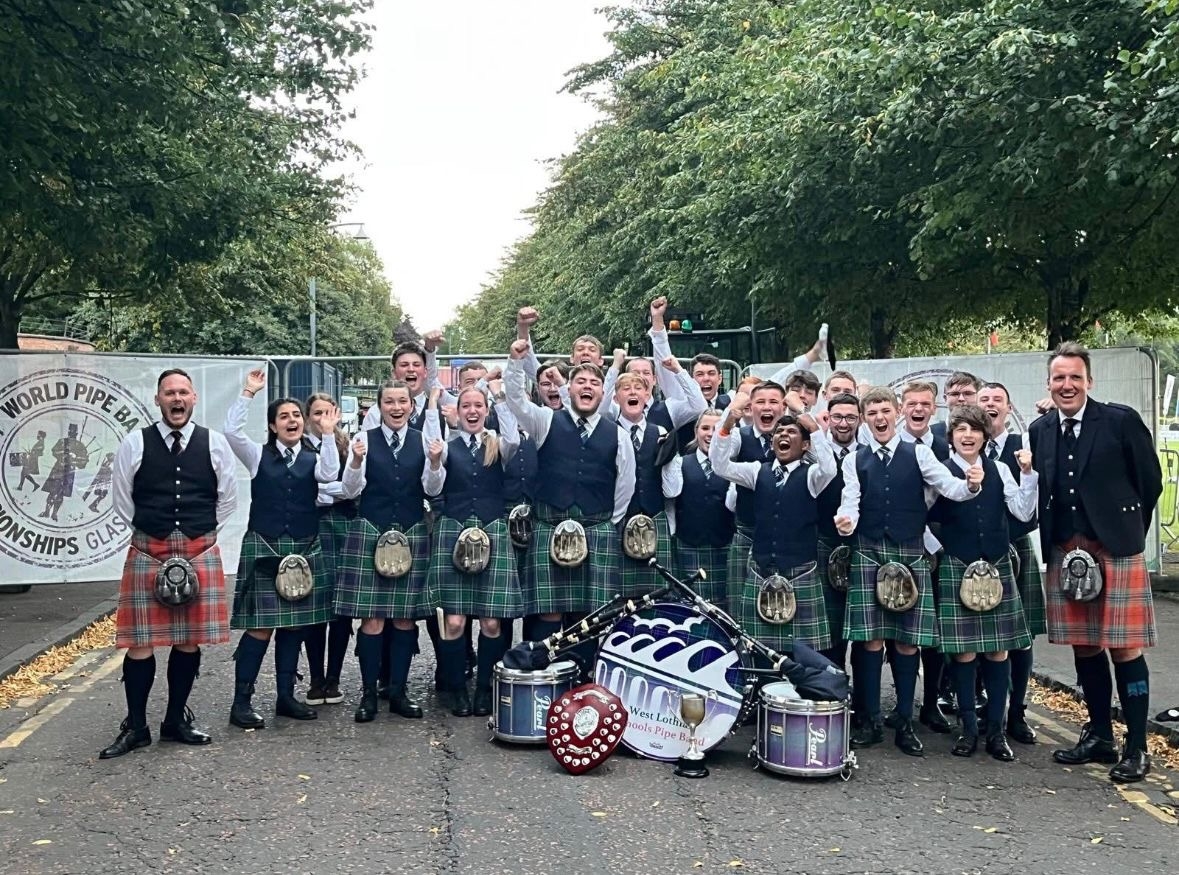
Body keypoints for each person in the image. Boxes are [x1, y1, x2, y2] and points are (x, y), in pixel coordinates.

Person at [1029, 342, 1162, 783]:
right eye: (1059, 378)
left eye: (1075, 377)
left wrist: (1126, 536)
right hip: (1067, 546)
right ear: (1049, 383)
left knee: (1124, 646)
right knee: (1085, 644)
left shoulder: (1120, 421)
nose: (1067, 385)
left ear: (1090, 381)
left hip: (1116, 547)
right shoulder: (1041, 428)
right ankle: (1100, 735)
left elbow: (1150, 483)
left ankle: (1137, 747)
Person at [835, 386, 983, 757]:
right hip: (869, 550)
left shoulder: (919, 452)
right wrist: (846, 521)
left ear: (896, 412)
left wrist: (970, 484)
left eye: (885, 411)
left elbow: (947, 487)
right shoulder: (855, 459)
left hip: (910, 550)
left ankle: (903, 721)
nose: (880, 419)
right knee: (869, 640)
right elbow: (850, 499)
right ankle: (869, 720)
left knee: (907, 640)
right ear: (866, 419)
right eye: (873, 414)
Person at [101, 369, 237, 759]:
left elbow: (226, 497)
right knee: (139, 643)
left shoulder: (214, 444)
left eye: (183, 392)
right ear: (157, 400)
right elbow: (122, 499)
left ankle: (176, 719)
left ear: (194, 398)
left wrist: (199, 536)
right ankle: (137, 726)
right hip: (149, 549)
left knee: (188, 640)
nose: (176, 399)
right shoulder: (134, 442)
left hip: (198, 548)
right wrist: (153, 534)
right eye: (169, 393)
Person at [222, 370, 341, 728]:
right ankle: (241, 701)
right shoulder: (258, 456)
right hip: (266, 545)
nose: (292, 420)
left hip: (304, 545)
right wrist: (247, 392)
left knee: (294, 628)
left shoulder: (314, 456)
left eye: (296, 416)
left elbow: (331, 473)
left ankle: (286, 697)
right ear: (273, 426)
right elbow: (231, 432)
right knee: (260, 628)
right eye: (284, 417)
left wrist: (329, 434)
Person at [503, 339, 635, 649]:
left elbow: (624, 488)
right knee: (548, 614)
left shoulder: (618, 435)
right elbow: (514, 401)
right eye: (580, 381)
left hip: (596, 529)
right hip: (549, 526)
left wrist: (601, 523)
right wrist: (514, 362)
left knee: (588, 616)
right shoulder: (545, 421)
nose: (587, 387)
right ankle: (542, 682)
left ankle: (584, 683)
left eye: (594, 383)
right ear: (569, 390)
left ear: (603, 394)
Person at [931, 404, 1037, 761]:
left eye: (974, 429)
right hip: (956, 565)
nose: (967, 435)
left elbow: (1022, 512)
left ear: (984, 435)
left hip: (995, 566)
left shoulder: (1001, 469)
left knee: (997, 651)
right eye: (960, 429)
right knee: (963, 653)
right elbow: (922, 519)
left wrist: (1028, 474)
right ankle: (968, 730)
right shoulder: (941, 472)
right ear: (952, 436)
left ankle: (996, 732)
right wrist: (941, 550)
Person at [710, 394, 837, 655]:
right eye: (780, 431)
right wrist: (726, 424)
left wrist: (813, 426)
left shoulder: (813, 475)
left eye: (792, 432)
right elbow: (720, 465)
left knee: (802, 651)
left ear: (804, 446)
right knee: (757, 648)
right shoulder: (758, 471)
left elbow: (829, 468)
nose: (784, 435)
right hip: (761, 568)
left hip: (801, 570)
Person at [424, 384, 523, 717]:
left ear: (486, 410)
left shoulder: (499, 444)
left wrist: (502, 398)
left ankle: (485, 689)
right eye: (466, 405)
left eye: (478, 405)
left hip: (493, 529)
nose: (472, 411)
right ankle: (456, 691)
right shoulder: (448, 447)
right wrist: (436, 463)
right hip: (454, 529)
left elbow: (513, 436)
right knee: (453, 623)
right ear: (459, 411)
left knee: (492, 624)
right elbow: (432, 488)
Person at [338, 379, 433, 722]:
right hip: (372, 530)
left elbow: (431, 489)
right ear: (379, 407)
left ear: (411, 406)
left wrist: (435, 463)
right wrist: (354, 461)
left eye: (402, 402)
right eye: (389, 402)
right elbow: (350, 491)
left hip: (410, 531)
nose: (396, 407)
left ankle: (398, 692)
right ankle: (367, 695)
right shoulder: (363, 440)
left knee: (405, 619)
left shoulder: (424, 441)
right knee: (373, 619)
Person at [978, 381, 1045, 744]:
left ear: (1008, 407)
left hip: (1015, 545)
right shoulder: (963, 442)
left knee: (1020, 638)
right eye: (984, 399)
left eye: (997, 400)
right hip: (977, 551)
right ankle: (982, 711)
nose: (990, 405)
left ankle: (1016, 714)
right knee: (978, 636)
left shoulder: (1024, 444)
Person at [301, 392, 356, 707]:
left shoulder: (345, 445)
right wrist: (328, 492)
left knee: (342, 609)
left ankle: (333, 678)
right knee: (314, 607)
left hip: (344, 531)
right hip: (313, 531)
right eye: (317, 412)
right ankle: (315, 678)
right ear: (309, 415)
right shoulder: (301, 445)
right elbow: (309, 491)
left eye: (328, 412)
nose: (323, 418)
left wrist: (328, 492)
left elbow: (351, 487)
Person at [614, 369, 682, 598]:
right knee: (618, 596)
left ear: (647, 396)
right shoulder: (607, 432)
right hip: (619, 521)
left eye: (639, 388)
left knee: (659, 594)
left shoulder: (661, 432)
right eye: (626, 388)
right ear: (616, 398)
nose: (633, 392)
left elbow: (673, 489)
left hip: (655, 517)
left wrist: (669, 457)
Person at [726, 382, 787, 609]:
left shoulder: (797, 436)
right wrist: (729, 418)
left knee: (782, 608)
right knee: (740, 609)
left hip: (786, 536)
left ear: (783, 407)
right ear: (750, 408)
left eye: (773, 402)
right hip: (748, 532)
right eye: (760, 402)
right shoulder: (739, 436)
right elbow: (718, 460)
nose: (766, 407)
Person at [664, 409, 733, 608]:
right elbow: (671, 500)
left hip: (724, 546)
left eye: (717, 428)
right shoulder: (680, 464)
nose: (710, 433)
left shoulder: (733, 466)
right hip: (688, 545)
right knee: (689, 607)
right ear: (696, 432)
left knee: (724, 609)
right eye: (705, 428)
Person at [815, 392, 862, 671]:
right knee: (828, 626)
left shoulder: (867, 451)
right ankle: (833, 689)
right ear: (828, 418)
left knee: (862, 628)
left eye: (850, 418)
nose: (843, 424)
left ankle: (863, 702)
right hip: (821, 541)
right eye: (837, 417)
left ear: (859, 420)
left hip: (861, 545)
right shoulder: (814, 450)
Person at [41, 422, 90, 521]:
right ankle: (46, 512)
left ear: (76, 433)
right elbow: (54, 451)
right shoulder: (62, 441)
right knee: (52, 491)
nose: (72, 433)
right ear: (68, 431)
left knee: (61, 494)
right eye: (70, 431)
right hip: (58, 469)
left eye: (74, 432)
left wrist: (75, 457)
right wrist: (64, 453)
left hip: (69, 473)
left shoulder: (79, 445)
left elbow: (83, 461)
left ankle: (54, 514)